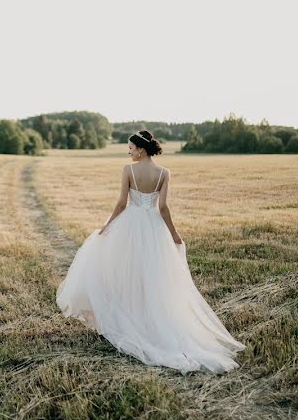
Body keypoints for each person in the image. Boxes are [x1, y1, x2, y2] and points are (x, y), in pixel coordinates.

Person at [56, 130, 245, 373]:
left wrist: (108, 225)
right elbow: (163, 206)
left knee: (124, 272)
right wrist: (174, 234)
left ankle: (130, 321)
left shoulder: (128, 170)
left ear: (141, 149)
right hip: (154, 228)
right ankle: (150, 320)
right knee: (154, 278)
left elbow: (122, 203)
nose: (129, 152)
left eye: (131, 148)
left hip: (130, 225)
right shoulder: (164, 173)